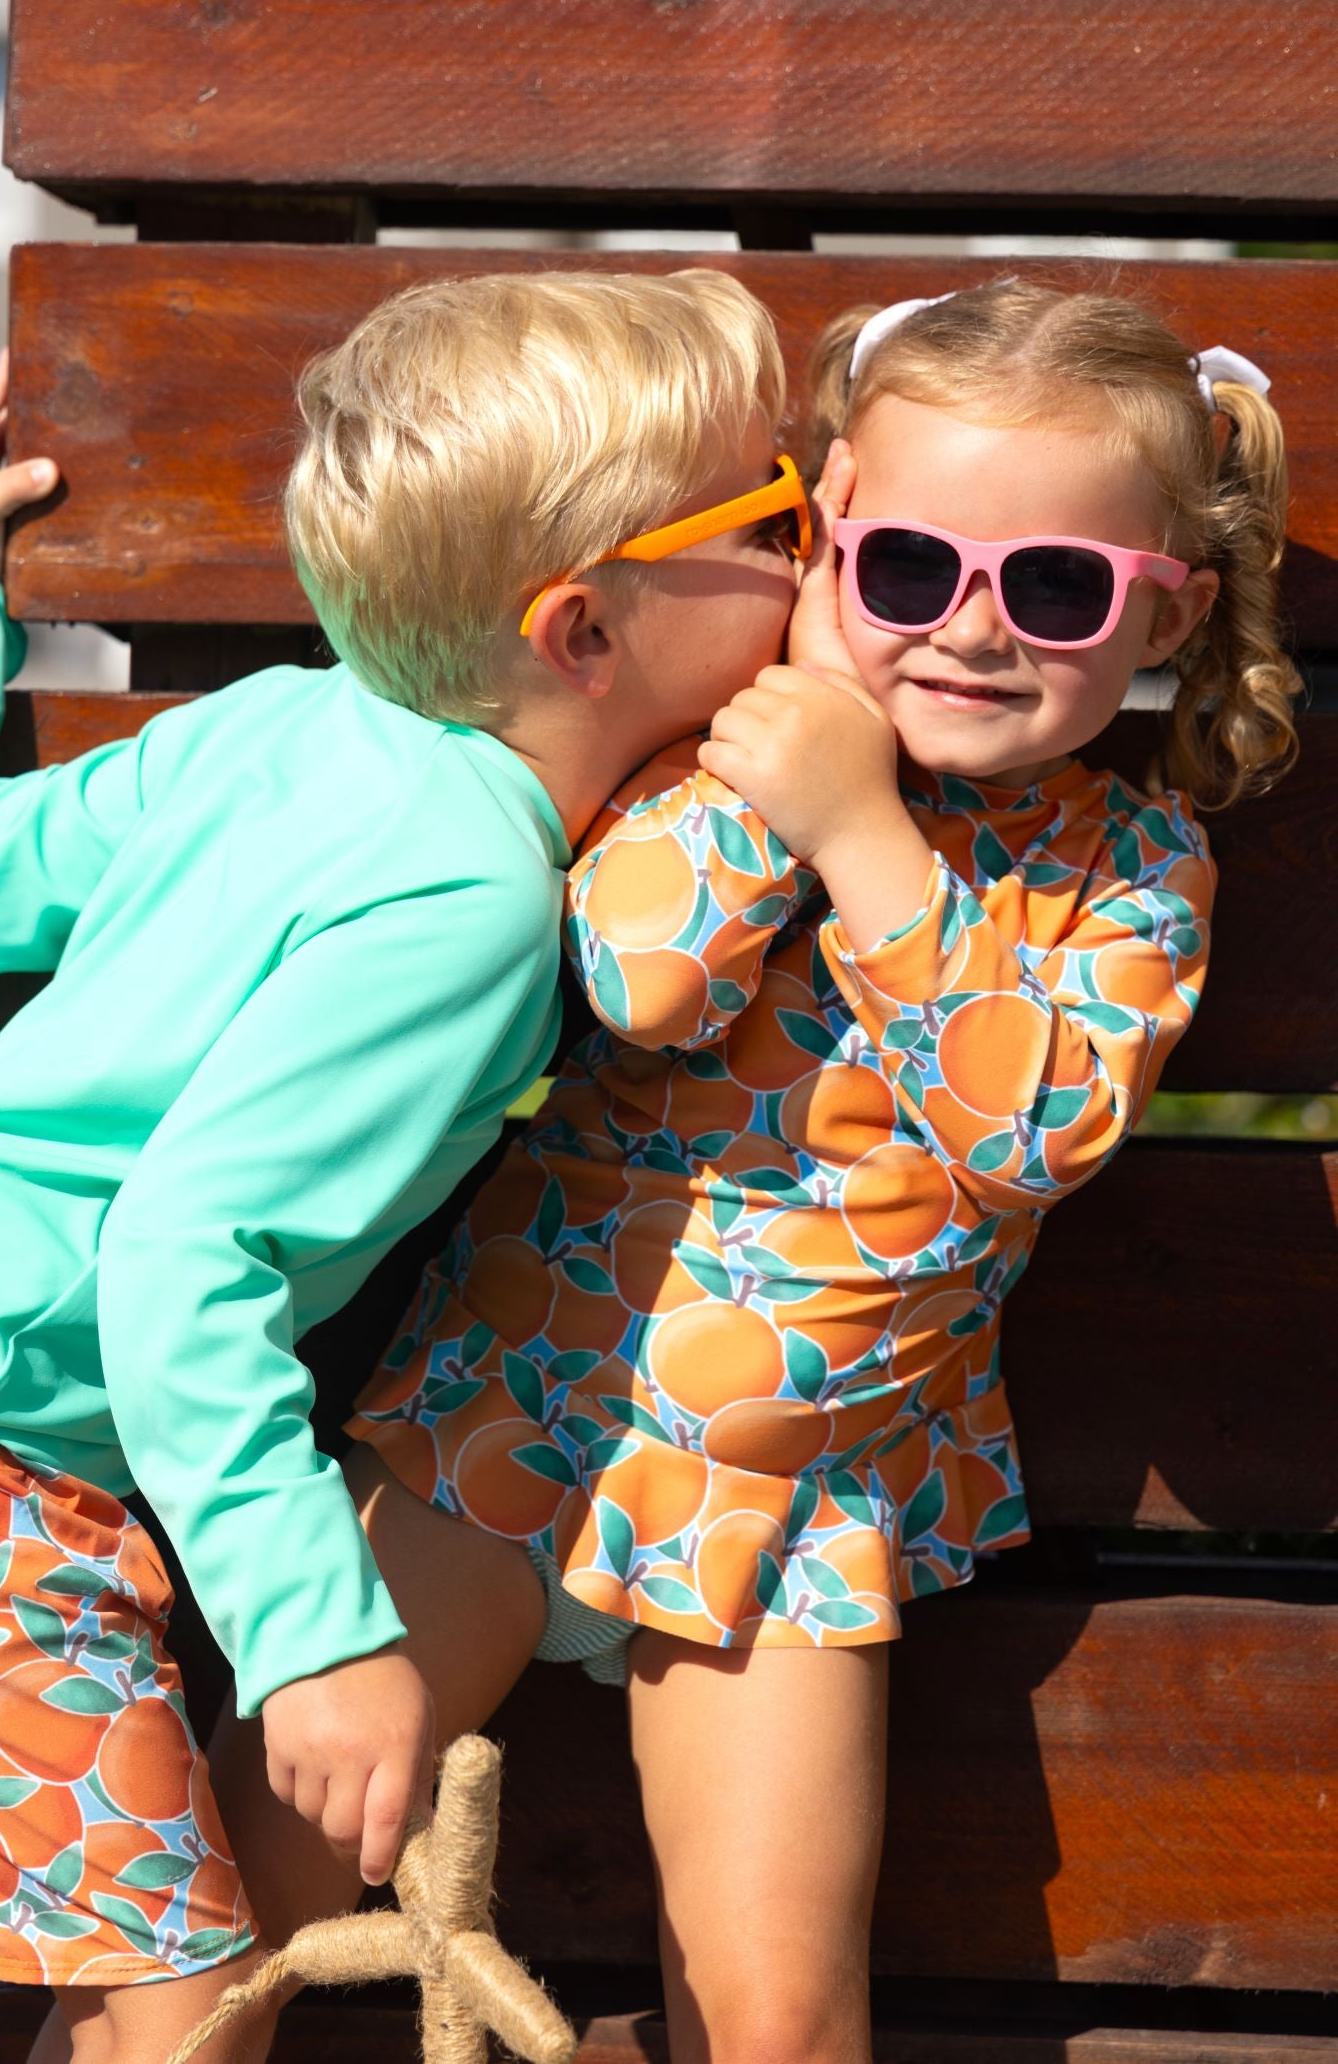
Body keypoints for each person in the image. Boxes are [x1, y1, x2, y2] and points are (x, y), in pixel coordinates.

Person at [218, 279, 1298, 2064]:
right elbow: (637, 971)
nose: (968, 631)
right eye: (900, 572)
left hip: (796, 1502)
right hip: (513, 1407)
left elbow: (1026, 1133)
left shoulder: (1130, 869)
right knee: (243, 1915)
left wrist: (867, 837)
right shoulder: (735, 747)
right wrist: (791, 765)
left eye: (1052, 588)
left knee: (777, 2011)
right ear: (823, 550)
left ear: (1162, 609)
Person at [0, 268, 810, 2063]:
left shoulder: (280, 723)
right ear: (581, 629)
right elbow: (188, 1256)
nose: (818, 558)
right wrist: (317, 1643)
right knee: (192, 2008)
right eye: (779, 514)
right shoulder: (474, 900)